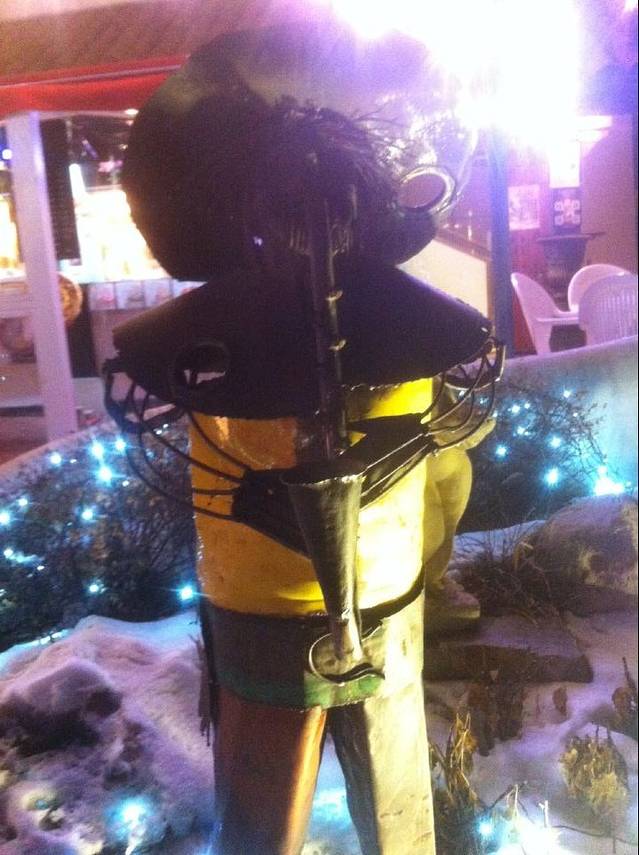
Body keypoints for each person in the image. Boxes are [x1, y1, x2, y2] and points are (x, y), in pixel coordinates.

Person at [107, 20, 501, 855]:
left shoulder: (218, 345)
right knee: (327, 798)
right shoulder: (409, 334)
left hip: (315, 598)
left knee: (337, 799)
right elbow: (448, 463)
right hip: (296, 600)